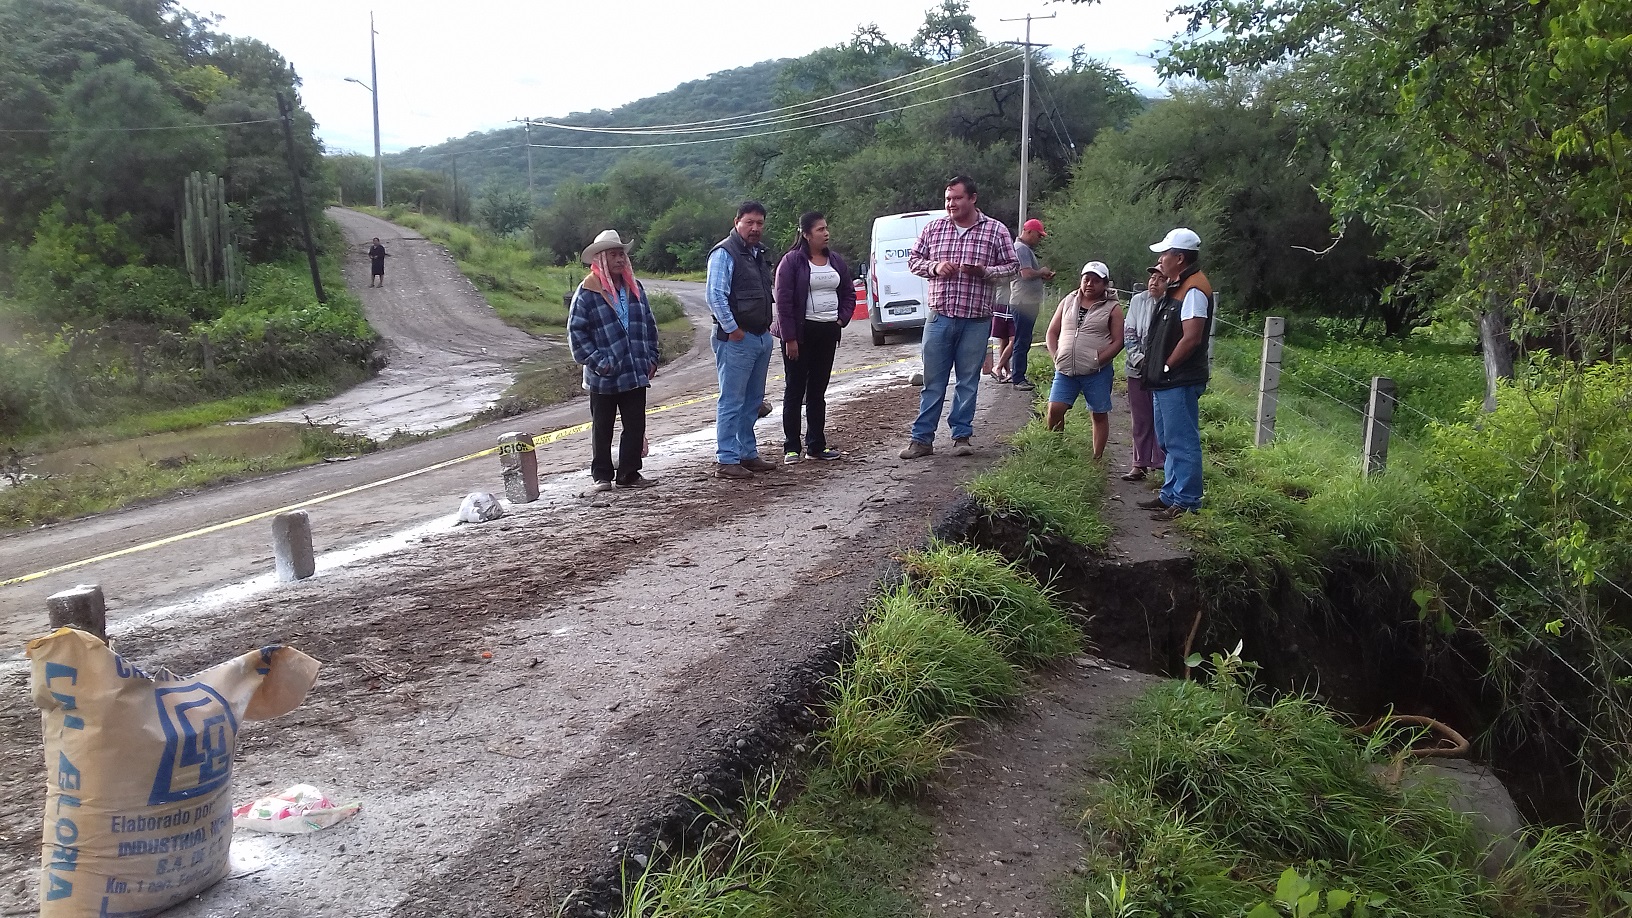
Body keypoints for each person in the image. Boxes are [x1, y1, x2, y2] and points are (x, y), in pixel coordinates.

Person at [899, 175, 1019, 459]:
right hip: (940, 317)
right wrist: (935, 266)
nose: (951, 204)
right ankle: (922, 440)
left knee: (968, 381)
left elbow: (1013, 267)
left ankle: (961, 436)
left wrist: (985, 271)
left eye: (957, 198)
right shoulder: (934, 228)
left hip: (976, 320)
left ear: (973, 199)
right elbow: (914, 261)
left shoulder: (995, 230)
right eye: (948, 199)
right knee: (933, 381)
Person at [567, 229, 661, 492]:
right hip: (603, 374)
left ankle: (629, 473)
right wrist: (600, 362)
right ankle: (602, 476)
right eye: (613, 255)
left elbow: (649, 325)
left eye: (622, 254)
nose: (620, 259)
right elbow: (576, 334)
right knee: (602, 426)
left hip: (634, 370)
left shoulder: (635, 288)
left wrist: (652, 357)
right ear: (600, 259)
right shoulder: (587, 291)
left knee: (635, 424)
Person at [1138, 228, 1214, 520]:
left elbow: (1191, 337)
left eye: (1165, 254)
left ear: (1179, 258)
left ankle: (1186, 501)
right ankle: (1171, 494)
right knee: (1169, 438)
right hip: (1168, 378)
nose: (1160, 259)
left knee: (1182, 440)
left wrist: (1167, 365)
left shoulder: (1193, 289)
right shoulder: (1181, 284)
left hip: (1178, 379)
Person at [774, 211, 854, 463]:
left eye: (826, 228)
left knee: (818, 390)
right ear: (806, 234)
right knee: (795, 390)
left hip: (827, 331)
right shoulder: (791, 262)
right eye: (820, 230)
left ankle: (816, 445)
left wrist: (841, 319)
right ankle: (791, 447)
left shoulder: (836, 261)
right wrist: (790, 338)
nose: (826, 233)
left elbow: (849, 292)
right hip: (800, 333)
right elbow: (784, 302)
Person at [707, 201, 779, 479]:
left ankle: (747, 453)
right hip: (737, 339)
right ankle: (726, 458)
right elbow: (715, 295)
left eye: (759, 223)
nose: (755, 228)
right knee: (732, 400)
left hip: (760, 336)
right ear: (737, 221)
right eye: (749, 222)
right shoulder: (725, 253)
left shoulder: (758, 253)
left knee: (752, 400)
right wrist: (733, 329)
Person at [1044, 261, 1124, 460]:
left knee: (1098, 413)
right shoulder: (1068, 301)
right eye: (1086, 279)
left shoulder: (1113, 308)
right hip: (1065, 370)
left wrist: (1099, 360)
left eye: (1096, 281)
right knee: (1055, 409)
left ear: (1105, 284)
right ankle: (1056, 450)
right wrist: (1056, 356)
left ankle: (1097, 458)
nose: (1090, 284)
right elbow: (1052, 332)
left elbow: (1119, 341)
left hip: (1097, 372)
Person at [1120, 266, 1167, 481]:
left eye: (1160, 279)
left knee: (1162, 418)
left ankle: (1163, 465)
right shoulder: (1139, 300)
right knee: (1140, 418)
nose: (1154, 282)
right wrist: (1138, 360)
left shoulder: (1173, 303)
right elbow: (1129, 331)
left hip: (1164, 372)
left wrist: (1159, 366)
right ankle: (1139, 464)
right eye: (1152, 277)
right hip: (1137, 369)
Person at [1008, 218, 1055, 391]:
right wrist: (1041, 272)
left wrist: (1041, 275)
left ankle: (1019, 375)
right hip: (1023, 302)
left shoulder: (1024, 249)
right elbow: (1026, 274)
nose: (1039, 239)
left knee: (1024, 339)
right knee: (1022, 340)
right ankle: (1018, 378)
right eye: (1038, 235)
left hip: (1026, 301)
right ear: (1028, 231)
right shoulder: (1021, 249)